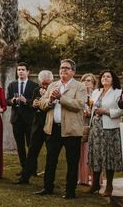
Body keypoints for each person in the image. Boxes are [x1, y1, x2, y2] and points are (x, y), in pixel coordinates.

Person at [36, 59, 87, 199]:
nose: (63, 70)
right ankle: (47, 187)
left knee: (72, 161)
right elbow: (42, 103)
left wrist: (61, 98)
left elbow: (79, 105)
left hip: (71, 130)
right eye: (61, 68)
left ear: (73, 72)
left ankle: (70, 191)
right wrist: (50, 101)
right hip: (53, 129)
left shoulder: (80, 87)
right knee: (51, 159)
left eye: (67, 68)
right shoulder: (53, 85)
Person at [86, 69, 123, 197]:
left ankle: (109, 186)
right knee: (96, 155)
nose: (105, 78)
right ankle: (95, 184)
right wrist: (90, 111)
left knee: (109, 157)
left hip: (110, 129)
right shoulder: (96, 92)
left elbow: (120, 111)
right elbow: (91, 107)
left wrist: (105, 111)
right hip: (96, 128)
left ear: (113, 79)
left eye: (108, 77)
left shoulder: (118, 92)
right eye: (103, 77)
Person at [16, 70, 54, 185]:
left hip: (49, 125)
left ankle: (49, 182)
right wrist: (34, 104)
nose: (45, 86)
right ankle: (25, 177)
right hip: (37, 124)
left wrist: (44, 99)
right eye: (43, 83)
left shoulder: (55, 91)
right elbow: (32, 104)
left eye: (47, 84)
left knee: (51, 153)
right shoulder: (36, 90)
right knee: (32, 151)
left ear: (51, 82)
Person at [6, 62, 39, 176]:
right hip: (16, 119)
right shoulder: (12, 85)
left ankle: (33, 169)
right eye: (19, 69)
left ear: (28, 72)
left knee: (31, 145)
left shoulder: (34, 86)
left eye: (23, 69)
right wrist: (12, 101)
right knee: (20, 146)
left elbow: (37, 103)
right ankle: (24, 168)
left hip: (30, 120)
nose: (20, 71)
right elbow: (7, 101)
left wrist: (26, 101)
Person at [78, 73, 97, 186]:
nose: (86, 83)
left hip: (94, 126)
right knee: (83, 152)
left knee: (94, 152)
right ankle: (83, 178)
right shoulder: (80, 94)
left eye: (89, 81)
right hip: (82, 126)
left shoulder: (96, 95)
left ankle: (95, 178)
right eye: (84, 80)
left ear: (93, 83)